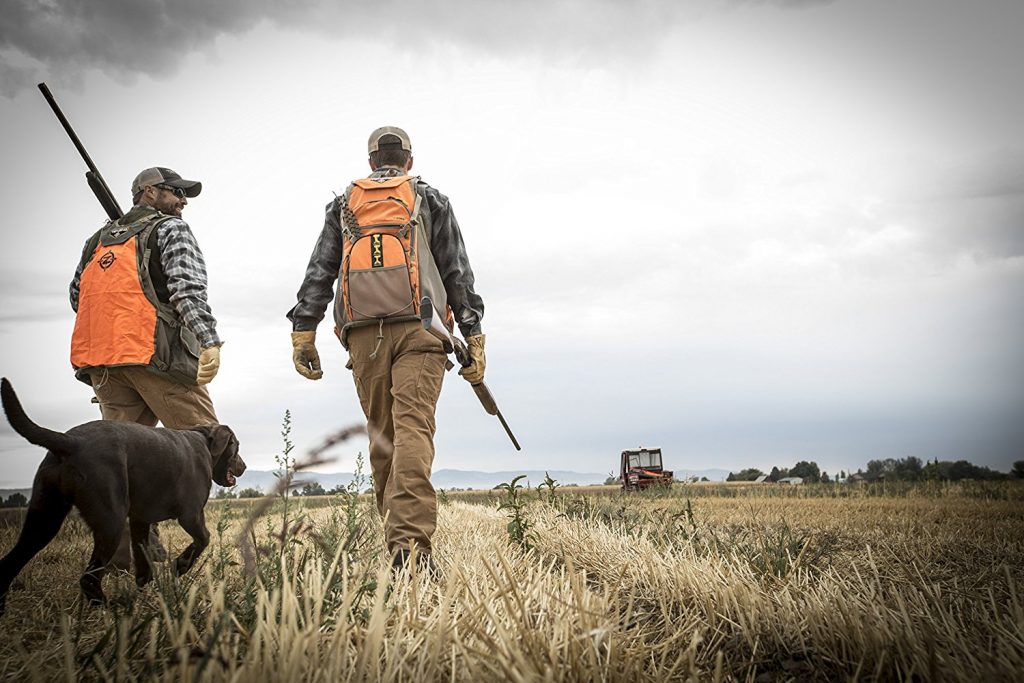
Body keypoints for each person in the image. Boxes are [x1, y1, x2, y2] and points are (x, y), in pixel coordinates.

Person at [288, 127, 485, 570]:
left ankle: (396, 535)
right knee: (414, 430)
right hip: (423, 329)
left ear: (372, 159)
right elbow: (457, 271)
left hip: (362, 336)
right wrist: (472, 333)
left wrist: (305, 330)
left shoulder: (343, 203)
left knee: (384, 436)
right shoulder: (429, 199)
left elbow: (320, 270)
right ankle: (410, 548)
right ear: (409, 160)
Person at [70, 166, 223, 566]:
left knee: (120, 469)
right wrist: (208, 340)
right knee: (205, 449)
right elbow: (187, 288)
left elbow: (76, 296)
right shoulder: (171, 230)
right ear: (150, 193)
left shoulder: (97, 240)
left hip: (104, 365)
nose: (183, 201)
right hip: (158, 359)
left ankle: (125, 560)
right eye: (176, 192)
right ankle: (202, 548)